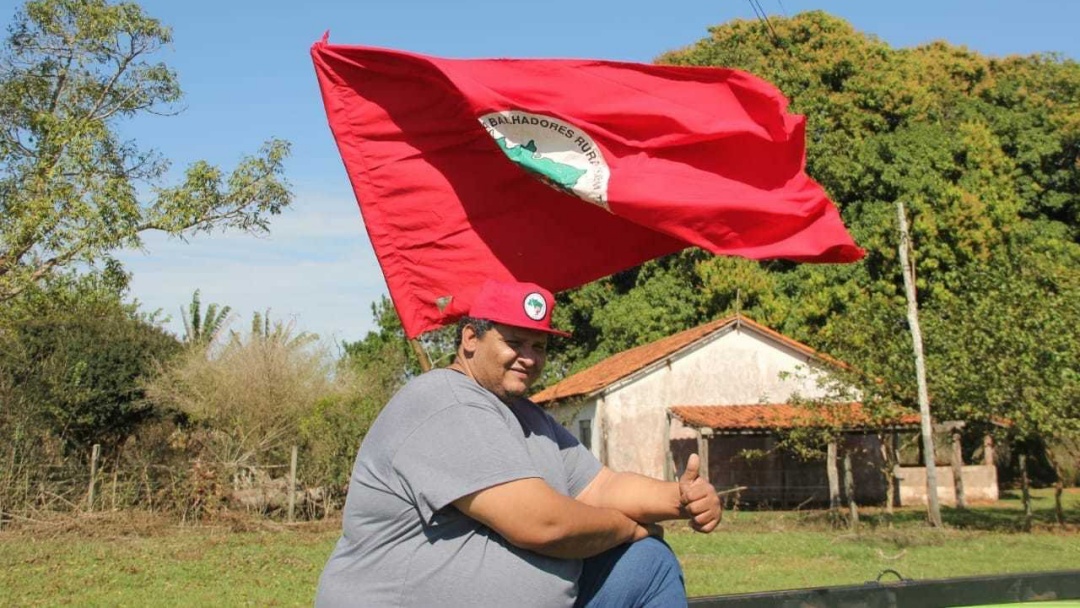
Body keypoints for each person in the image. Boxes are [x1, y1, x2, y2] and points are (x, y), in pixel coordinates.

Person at [316, 279, 721, 607]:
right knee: (641, 548)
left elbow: (603, 488)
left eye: (539, 346)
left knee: (648, 565)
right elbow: (543, 524)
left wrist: (679, 499)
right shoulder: (443, 399)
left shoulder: (529, 418)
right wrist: (630, 529)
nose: (529, 357)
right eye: (515, 341)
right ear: (470, 338)